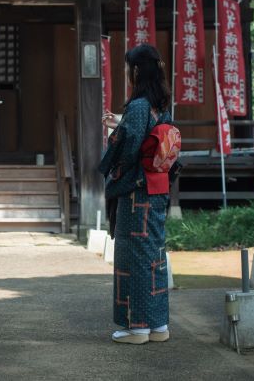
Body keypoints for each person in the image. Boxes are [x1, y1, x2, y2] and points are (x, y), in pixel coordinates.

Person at [100, 44, 172, 345]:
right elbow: (146, 135)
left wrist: (114, 139)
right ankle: (158, 326)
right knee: (155, 256)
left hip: (136, 192)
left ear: (137, 71)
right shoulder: (160, 103)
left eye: (129, 68)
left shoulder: (139, 105)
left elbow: (128, 149)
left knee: (135, 258)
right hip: (157, 188)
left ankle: (137, 327)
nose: (127, 73)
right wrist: (121, 123)